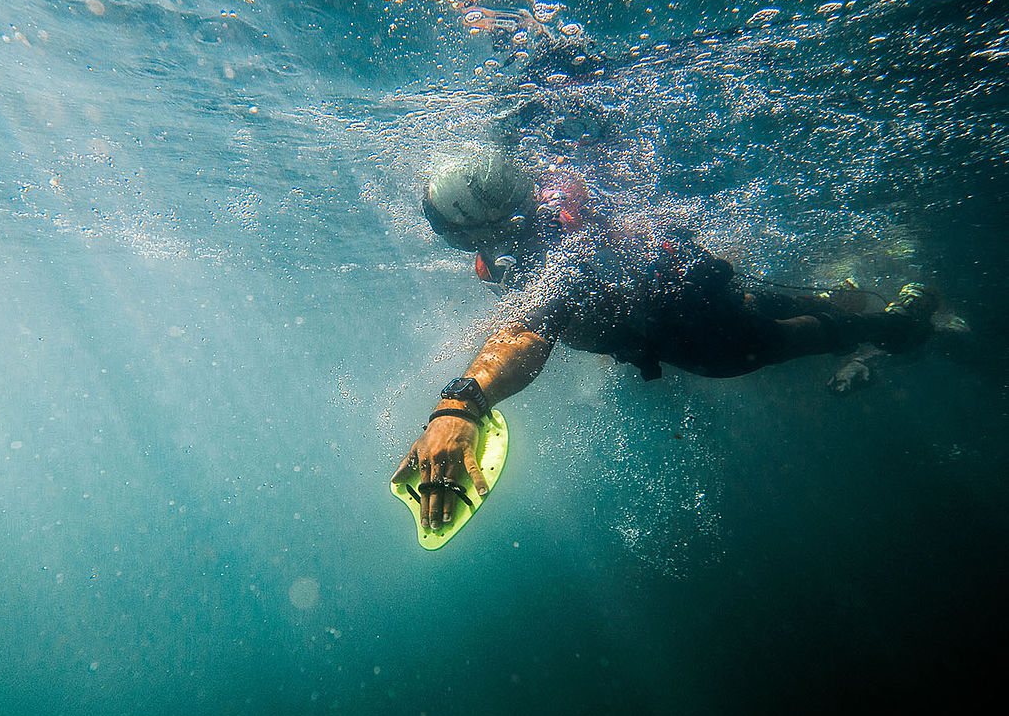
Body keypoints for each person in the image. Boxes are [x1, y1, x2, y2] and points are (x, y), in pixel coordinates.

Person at [392, 143, 940, 531]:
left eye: (452, 233)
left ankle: (895, 328)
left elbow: (526, 331)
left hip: (700, 331)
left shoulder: (558, 251)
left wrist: (460, 405)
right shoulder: (531, 219)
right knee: (769, 308)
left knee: (779, 337)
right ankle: (869, 313)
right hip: (687, 292)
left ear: (481, 223)